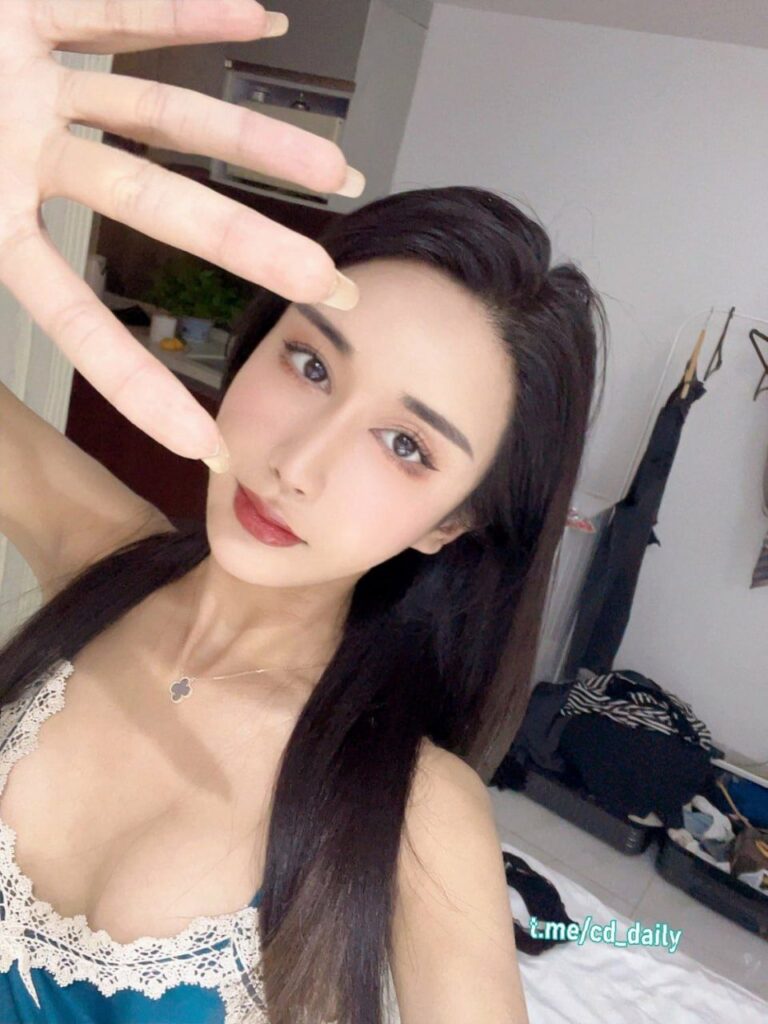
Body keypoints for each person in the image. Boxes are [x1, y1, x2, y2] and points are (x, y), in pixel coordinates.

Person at [0, 3, 608, 1023]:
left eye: (406, 445)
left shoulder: (413, 814)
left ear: (450, 525)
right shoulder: (101, 553)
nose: (299, 464)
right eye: (311, 362)